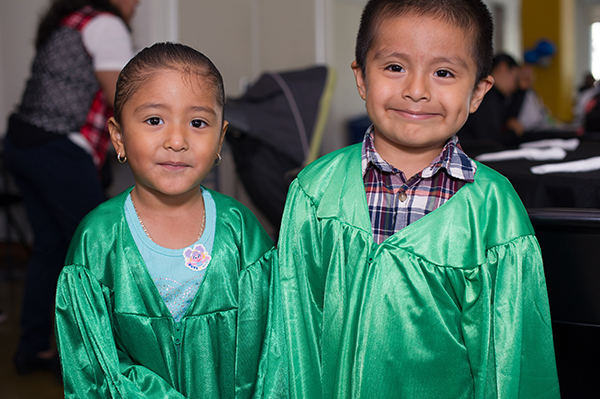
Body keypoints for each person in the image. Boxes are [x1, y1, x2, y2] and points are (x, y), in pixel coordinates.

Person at [277, 0, 559, 398]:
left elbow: (512, 365)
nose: (416, 91)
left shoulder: (496, 213)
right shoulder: (314, 193)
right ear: (361, 78)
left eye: (443, 72)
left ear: (478, 91)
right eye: (394, 67)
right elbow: (291, 341)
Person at [54, 42, 285, 397]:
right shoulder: (97, 240)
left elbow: (271, 352)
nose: (177, 140)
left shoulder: (241, 233)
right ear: (119, 137)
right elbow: (93, 365)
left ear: (220, 139)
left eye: (197, 122)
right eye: (154, 120)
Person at [3, 0, 137, 376]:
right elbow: (123, 100)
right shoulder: (107, 24)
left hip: (22, 144)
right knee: (98, 251)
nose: (137, 5)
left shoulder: (70, 21)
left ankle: (32, 349)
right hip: (57, 148)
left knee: (51, 248)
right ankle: (100, 357)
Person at [458, 52, 521, 155]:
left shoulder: (497, 97)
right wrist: (513, 132)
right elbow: (490, 141)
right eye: (515, 78)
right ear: (503, 67)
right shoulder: (486, 97)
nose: (515, 86)